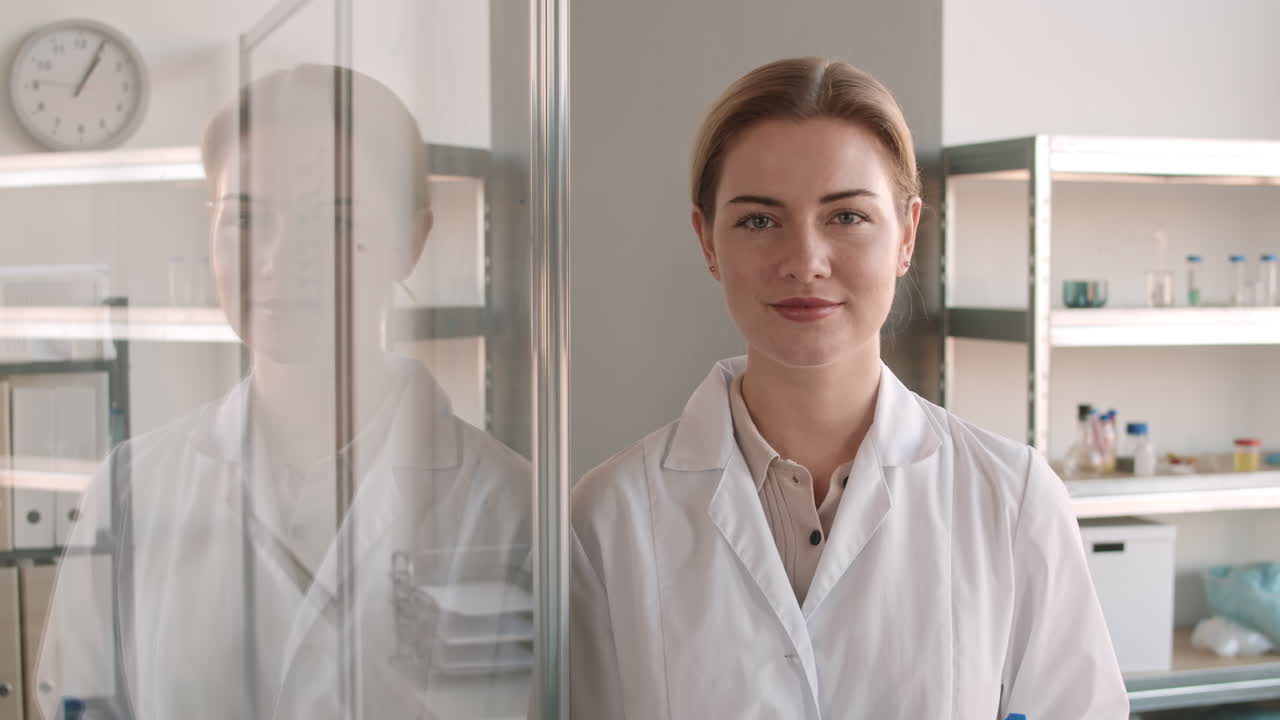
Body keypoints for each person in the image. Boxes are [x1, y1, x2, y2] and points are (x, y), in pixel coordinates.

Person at [570, 57, 1129, 718]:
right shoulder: (612, 518)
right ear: (707, 241)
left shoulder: (1011, 500)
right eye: (758, 220)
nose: (805, 260)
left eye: (847, 217)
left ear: (906, 235)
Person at [35, 65, 532, 720]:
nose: (277, 256)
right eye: (245, 218)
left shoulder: (506, 506)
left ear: (411, 240)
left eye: (333, 218)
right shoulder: (129, 491)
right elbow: (78, 704)